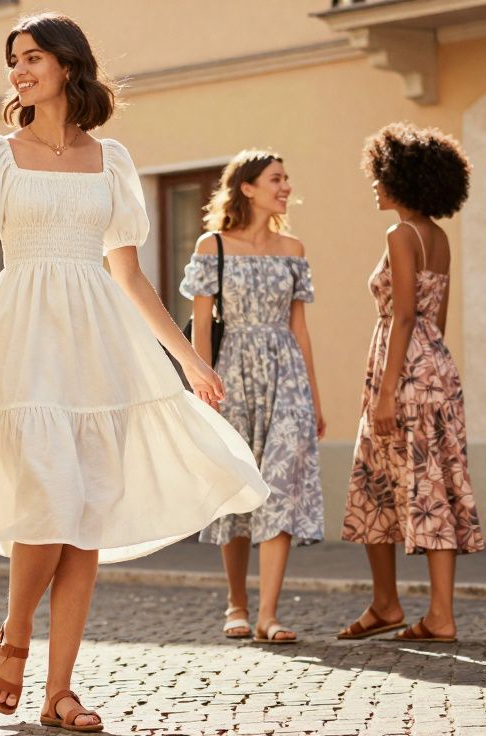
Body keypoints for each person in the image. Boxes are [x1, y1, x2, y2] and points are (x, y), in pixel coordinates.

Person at [0, 12, 268, 732]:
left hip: (100, 347)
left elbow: (132, 276)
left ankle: (60, 692)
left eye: (32, 57)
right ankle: (14, 638)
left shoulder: (110, 161)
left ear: (69, 65)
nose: (18, 70)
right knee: (47, 499)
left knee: (86, 520)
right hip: (25, 344)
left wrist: (189, 360)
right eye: (12, 60)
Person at [339, 122, 485, 645]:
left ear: (401, 178)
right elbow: (434, 319)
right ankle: (433, 613)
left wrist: (385, 394)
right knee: (435, 489)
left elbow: (402, 316)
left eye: (380, 175)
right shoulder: (437, 236)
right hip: (435, 370)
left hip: (399, 372)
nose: (374, 185)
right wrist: (427, 374)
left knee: (375, 482)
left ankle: (388, 603)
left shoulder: (400, 234)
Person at [180, 150, 324, 645]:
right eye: (276, 179)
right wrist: (202, 389)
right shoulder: (213, 245)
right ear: (247, 187)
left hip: (287, 376)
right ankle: (236, 603)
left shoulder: (294, 248)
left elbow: (300, 329)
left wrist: (315, 398)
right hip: (231, 376)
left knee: (280, 486)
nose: (285, 186)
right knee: (238, 491)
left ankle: (268, 614)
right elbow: (201, 325)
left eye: (286, 178)